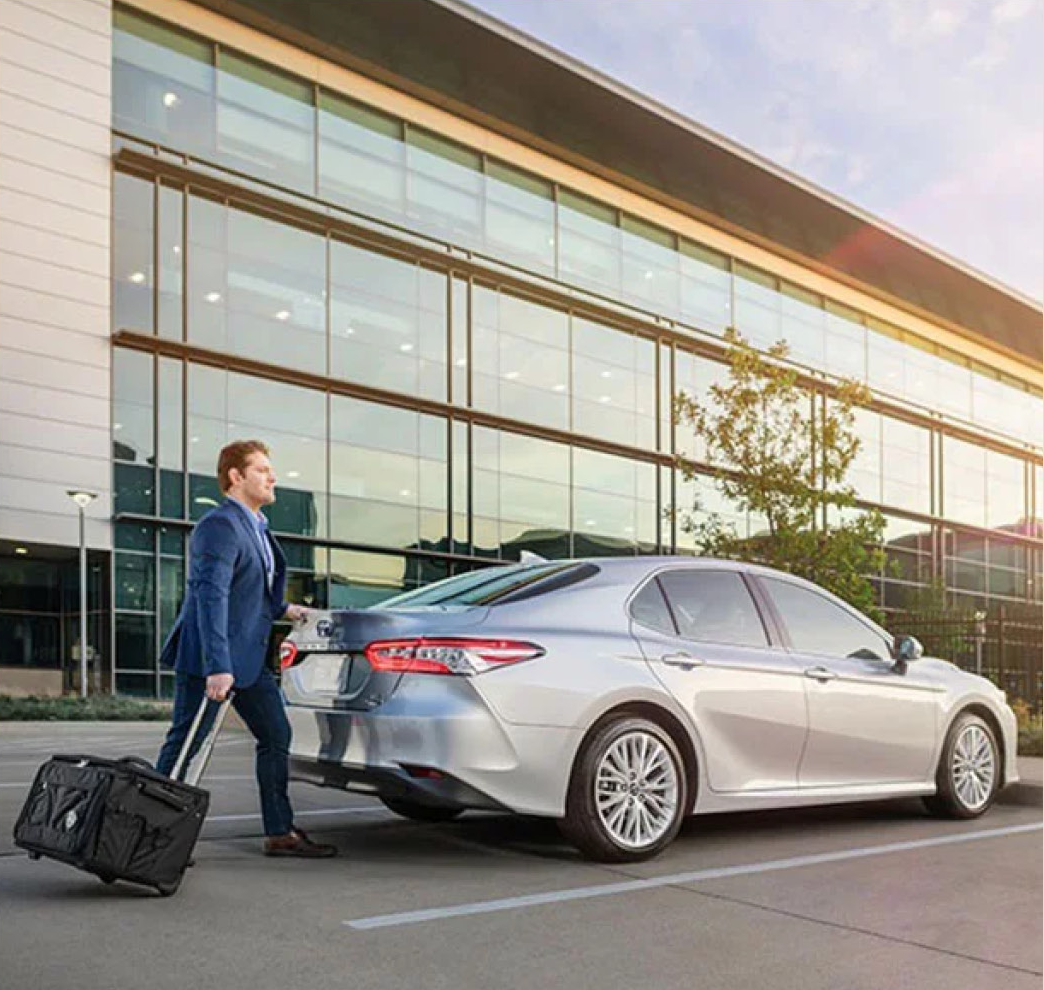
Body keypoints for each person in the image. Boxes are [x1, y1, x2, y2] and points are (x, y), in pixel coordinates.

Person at [156, 439, 336, 859]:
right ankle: (152, 833)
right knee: (187, 742)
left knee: (276, 735)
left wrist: (291, 610)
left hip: (249, 660)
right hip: (212, 659)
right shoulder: (219, 525)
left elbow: (254, 596)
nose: (273, 478)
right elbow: (210, 597)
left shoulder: (258, 528)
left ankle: (279, 831)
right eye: (262, 470)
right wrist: (218, 666)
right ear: (236, 477)